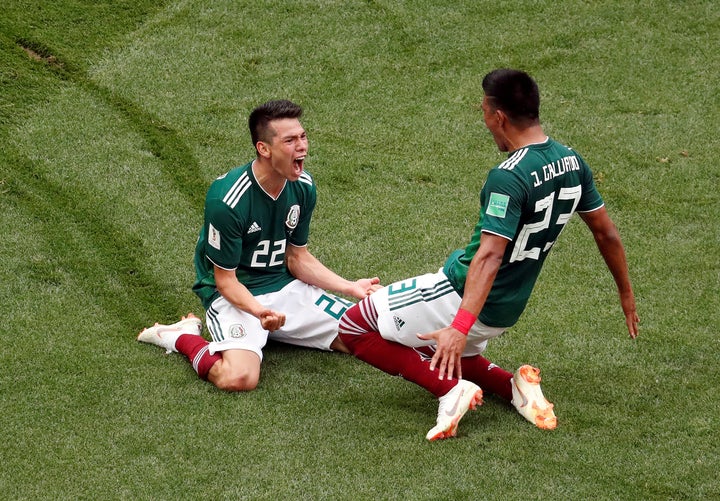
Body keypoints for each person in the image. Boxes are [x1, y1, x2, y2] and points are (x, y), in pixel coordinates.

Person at [338, 69, 639, 440]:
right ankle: (514, 387)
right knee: (462, 358)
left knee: (353, 326)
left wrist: (459, 327)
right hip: (508, 307)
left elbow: (489, 257)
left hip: (463, 293)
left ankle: (450, 389)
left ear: (499, 116)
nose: (484, 121)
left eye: (483, 111)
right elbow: (605, 231)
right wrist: (625, 293)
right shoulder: (573, 162)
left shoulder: (508, 177)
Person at [138, 100, 381, 391]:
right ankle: (182, 336)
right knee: (238, 378)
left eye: (302, 136)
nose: (302, 146)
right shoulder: (227, 200)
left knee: (365, 334)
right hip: (233, 295)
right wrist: (259, 311)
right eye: (290, 140)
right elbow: (224, 281)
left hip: (282, 286)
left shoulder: (303, 186)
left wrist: (350, 287)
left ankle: (275, 332)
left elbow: (296, 258)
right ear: (263, 149)